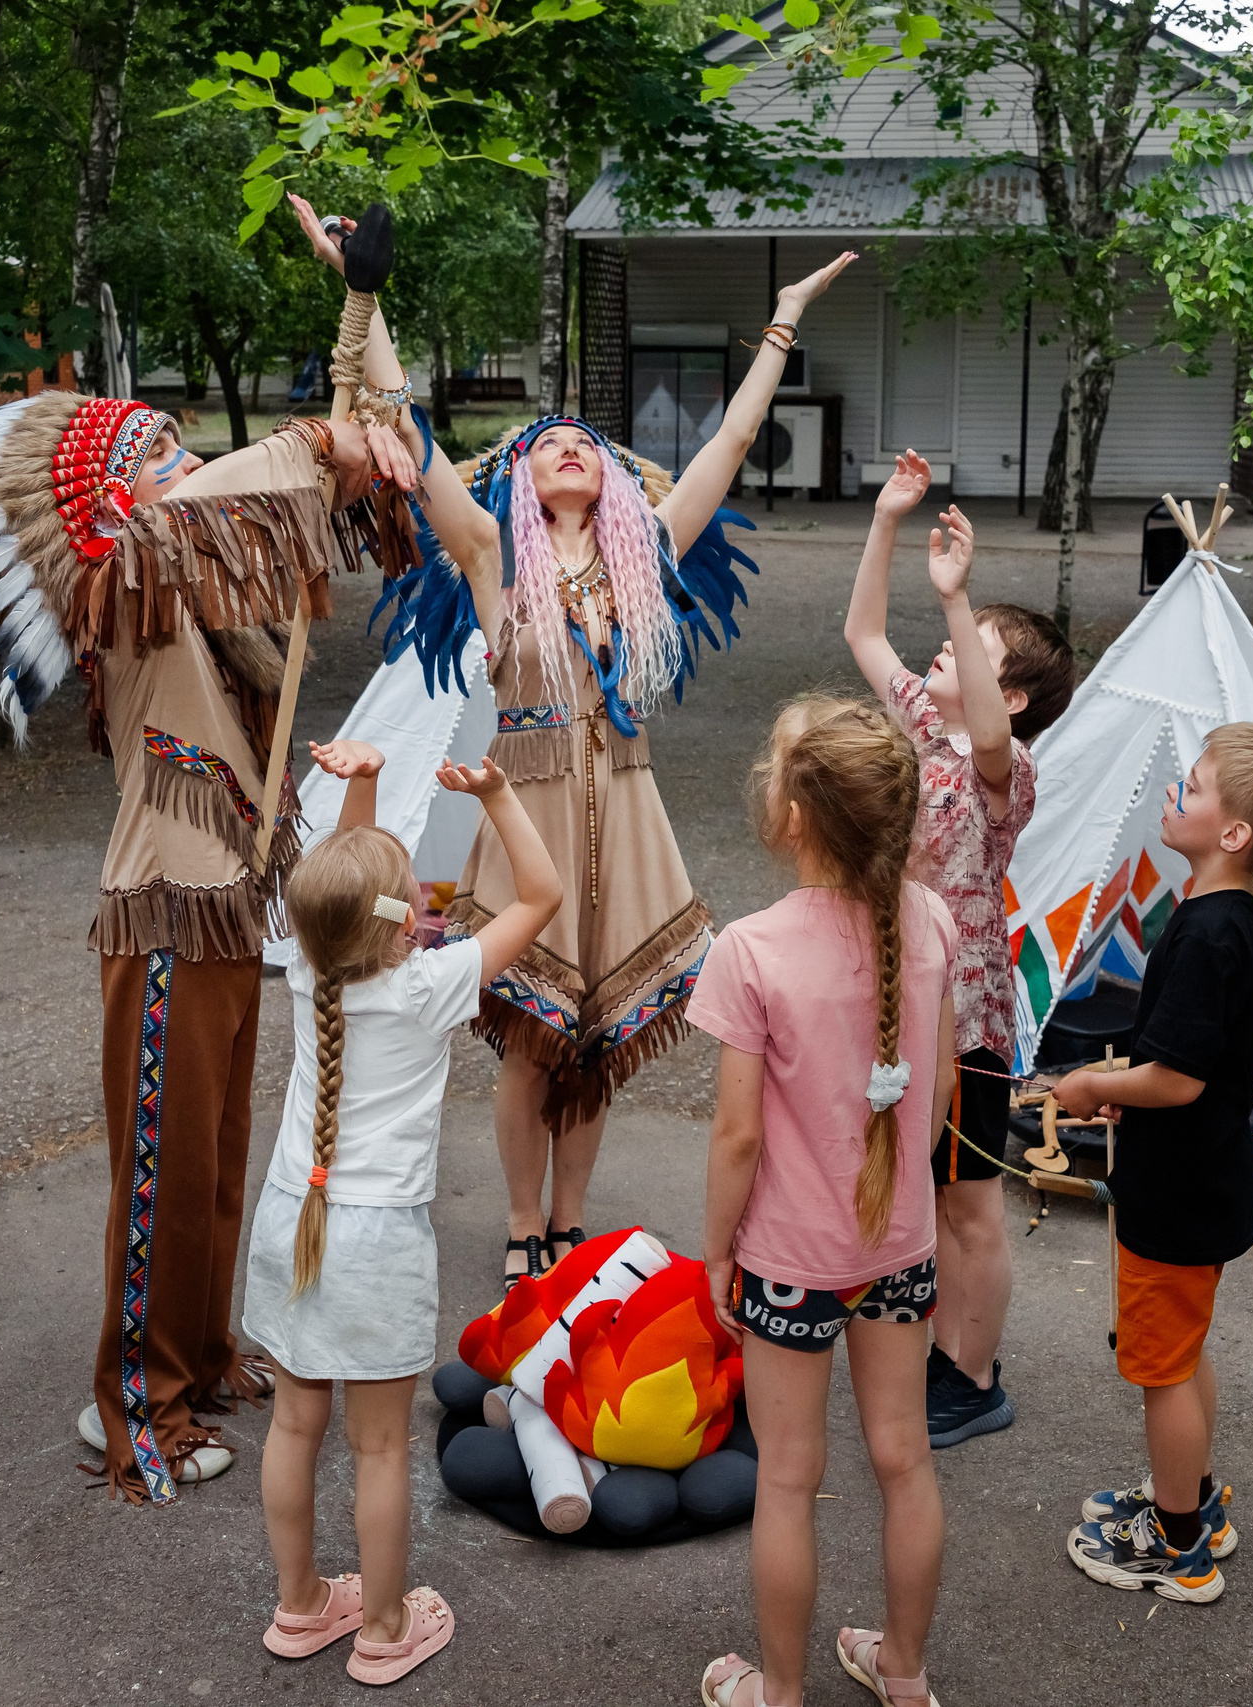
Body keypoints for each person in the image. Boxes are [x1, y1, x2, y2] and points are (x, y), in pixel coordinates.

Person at [0, 331, 420, 1503]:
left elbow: (315, 500)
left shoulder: (210, 601)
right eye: (161, 453)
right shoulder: (124, 577)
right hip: (163, 920)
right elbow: (226, 497)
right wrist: (314, 440)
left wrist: (360, 358)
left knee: (217, 1163)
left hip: (224, 913)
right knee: (159, 1173)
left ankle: (200, 1358)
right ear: (116, 495)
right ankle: (136, 1403)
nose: (188, 462)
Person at [287, 191, 859, 1290]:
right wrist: (357, 285)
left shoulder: (649, 559)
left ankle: (570, 1217)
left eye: (584, 447)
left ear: (610, 483)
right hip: (527, 823)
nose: (567, 451)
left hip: (627, 819)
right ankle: (517, 1218)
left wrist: (782, 321)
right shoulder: (494, 561)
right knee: (531, 1047)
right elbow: (403, 418)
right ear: (520, 478)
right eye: (547, 445)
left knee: (594, 1053)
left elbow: (733, 441)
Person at [245, 737, 561, 1684]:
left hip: (291, 1217)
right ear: (395, 926)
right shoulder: (429, 983)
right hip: (376, 1240)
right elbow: (540, 897)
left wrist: (367, 788)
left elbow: (342, 895)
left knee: (294, 1424)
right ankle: (385, 1627)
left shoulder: (311, 967)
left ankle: (302, 1605)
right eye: (408, 897)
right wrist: (500, 796)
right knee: (378, 1444)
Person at [691, 695, 956, 1707]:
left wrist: (720, 1251)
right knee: (904, 1461)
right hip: (901, 1248)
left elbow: (737, 1135)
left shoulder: (750, 949)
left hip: (790, 1263)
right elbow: (932, 1099)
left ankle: (783, 1691)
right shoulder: (925, 921)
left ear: (793, 816)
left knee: (787, 1478)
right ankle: (903, 1669)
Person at [1049, 722, 1253, 1602]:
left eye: (1197, 785)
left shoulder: (1211, 932)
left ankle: (1176, 1546)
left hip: (1173, 1189)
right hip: (1210, 1175)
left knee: (1160, 1365)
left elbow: (1173, 1080)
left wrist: (1092, 1087)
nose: (1177, 792)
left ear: (1235, 832)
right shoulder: (1243, 905)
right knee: (1184, 1344)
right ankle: (1194, 1496)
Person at [843, 448, 1076, 1452]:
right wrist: (889, 520)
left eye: (974, 649)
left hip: (969, 1017)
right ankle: (939, 1346)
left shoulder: (1004, 765)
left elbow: (982, 722)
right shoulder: (922, 735)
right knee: (920, 1185)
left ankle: (972, 1378)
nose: (946, 653)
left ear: (1012, 695)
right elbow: (858, 630)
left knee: (971, 1200)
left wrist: (957, 598)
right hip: (897, 997)